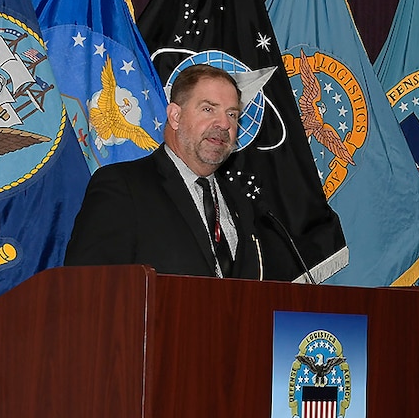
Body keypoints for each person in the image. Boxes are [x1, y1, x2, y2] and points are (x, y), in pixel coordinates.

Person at [65, 63, 268, 278]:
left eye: (232, 114)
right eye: (209, 109)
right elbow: (85, 287)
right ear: (175, 116)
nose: (224, 123)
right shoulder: (123, 186)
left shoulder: (241, 202)